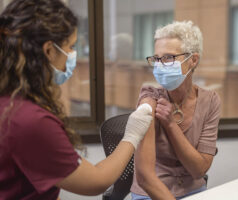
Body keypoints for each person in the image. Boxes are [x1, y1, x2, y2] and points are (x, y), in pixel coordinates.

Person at [0, 0, 152, 199]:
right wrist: (132, 135)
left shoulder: (10, 100)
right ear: (48, 50)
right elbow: (96, 181)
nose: (72, 55)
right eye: (70, 47)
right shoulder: (29, 121)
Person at [131, 21, 221, 200]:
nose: (159, 65)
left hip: (193, 189)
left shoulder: (210, 101)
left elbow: (199, 169)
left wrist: (171, 125)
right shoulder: (150, 98)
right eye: (157, 58)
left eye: (168, 58)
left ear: (193, 60)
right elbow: (145, 178)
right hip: (152, 193)